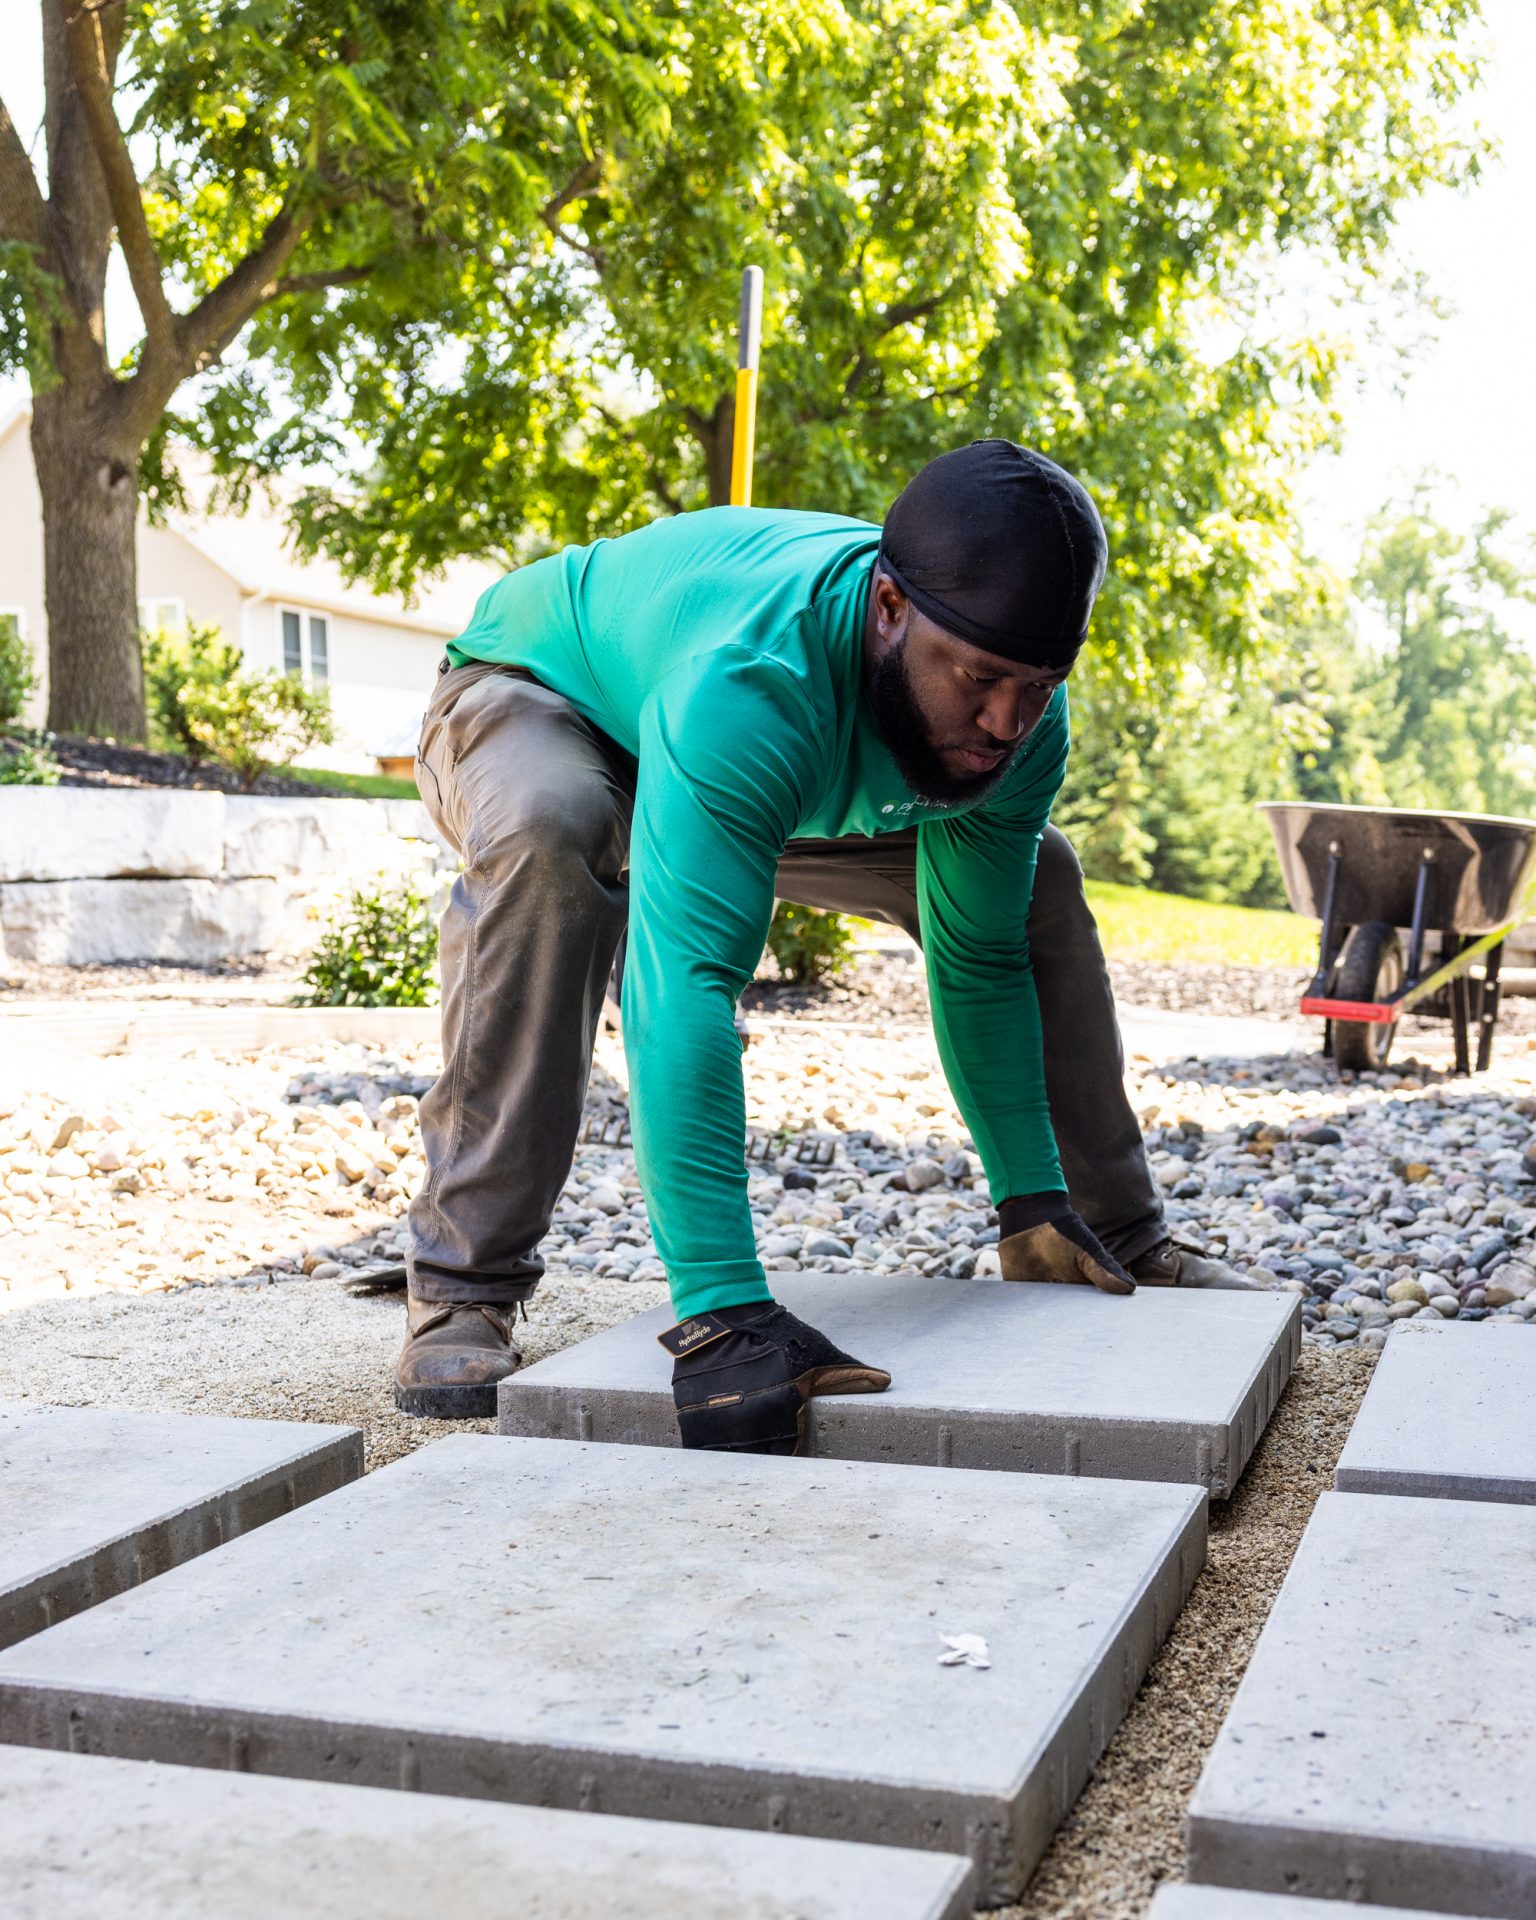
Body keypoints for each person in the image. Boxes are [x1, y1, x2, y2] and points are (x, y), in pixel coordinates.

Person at [395, 439, 1256, 1449]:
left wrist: (1027, 1191)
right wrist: (723, 1310)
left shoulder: (1015, 724)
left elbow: (980, 957)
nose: (1005, 720)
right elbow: (687, 985)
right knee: (552, 831)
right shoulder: (755, 681)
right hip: (550, 697)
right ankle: (463, 1283)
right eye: (979, 678)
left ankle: (1099, 1227)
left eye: (1039, 683)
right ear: (889, 609)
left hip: (767, 754)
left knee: (1040, 883)